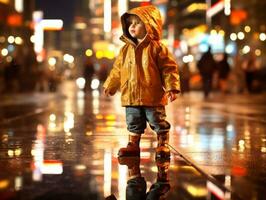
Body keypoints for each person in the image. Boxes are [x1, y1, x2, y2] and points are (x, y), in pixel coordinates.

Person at [103, 5, 180, 159]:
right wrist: (110, 85)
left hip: (152, 95)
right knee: (133, 121)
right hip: (130, 95)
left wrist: (172, 87)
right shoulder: (125, 50)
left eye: (137, 23)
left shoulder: (157, 48)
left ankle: (162, 142)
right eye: (130, 23)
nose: (132, 26)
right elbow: (118, 70)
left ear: (149, 25)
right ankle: (133, 144)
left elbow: (168, 68)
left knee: (157, 119)